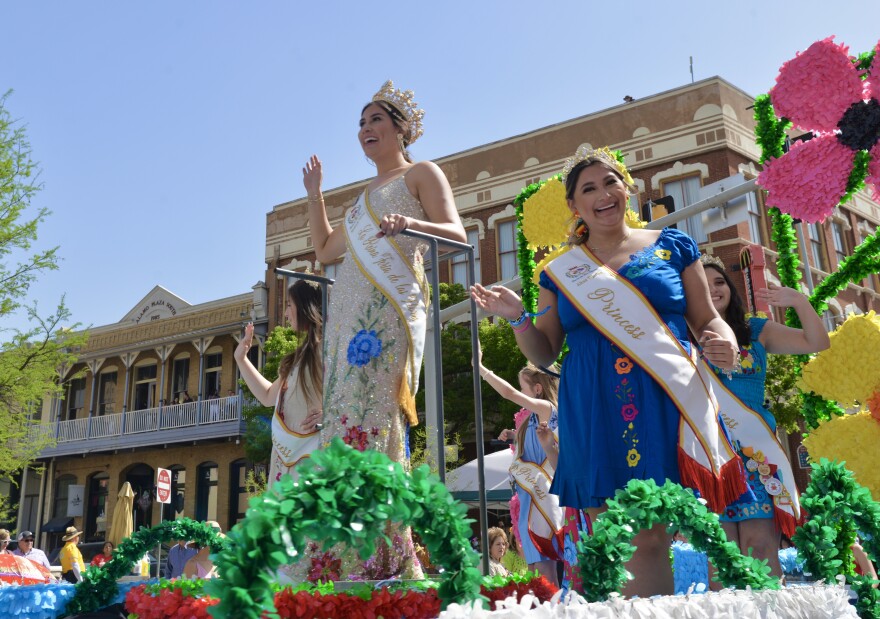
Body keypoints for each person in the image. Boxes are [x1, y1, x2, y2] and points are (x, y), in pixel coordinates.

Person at [471, 146, 743, 598]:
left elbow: (707, 319)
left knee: (653, 531)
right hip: (593, 403)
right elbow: (543, 352)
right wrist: (517, 316)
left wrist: (725, 339)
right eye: (589, 188)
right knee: (612, 534)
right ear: (574, 206)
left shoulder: (673, 246)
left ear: (628, 189)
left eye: (611, 182)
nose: (603, 194)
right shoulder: (559, 272)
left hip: (661, 396)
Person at [302, 80, 465, 580]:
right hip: (345, 320)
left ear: (401, 127)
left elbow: (457, 235)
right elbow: (327, 252)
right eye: (360, 123)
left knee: (374, 419)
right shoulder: (359, 200)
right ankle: (337, 550)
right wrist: (315, 196)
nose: (365, 129)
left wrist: (410, 227)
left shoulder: (421, 173)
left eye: (375, 119)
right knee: (341, 421)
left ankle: (383, 552)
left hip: (385, 316)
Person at [702, 254, 829, 578]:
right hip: (711, 454)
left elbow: (817, 341)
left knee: (759, 545)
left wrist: (800, 301)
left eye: (719, 282)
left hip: (757, 453)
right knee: (721, 552)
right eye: (703, 284)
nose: (714, 289)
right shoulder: (681, 336)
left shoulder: (755, 330)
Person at [479, 353, 563, 586]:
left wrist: (482, 370)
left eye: (523, 389)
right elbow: (531, 447)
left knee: (546, 571)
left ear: (537, 389)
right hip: (528, 498)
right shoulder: (530, 422)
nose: (520, 395)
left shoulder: (548, 409)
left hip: (545, 497)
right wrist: (514, 436)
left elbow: (508, 394)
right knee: (535, 570)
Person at [234, 279, 323, 483]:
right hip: (287, 459)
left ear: (305, 306)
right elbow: (267, 397)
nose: (285, 314)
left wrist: (332, 413)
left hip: (312, 458)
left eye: (289, 305)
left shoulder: (328, 349)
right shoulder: (298, 357)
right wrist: (241, 359)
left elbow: (349, 394)